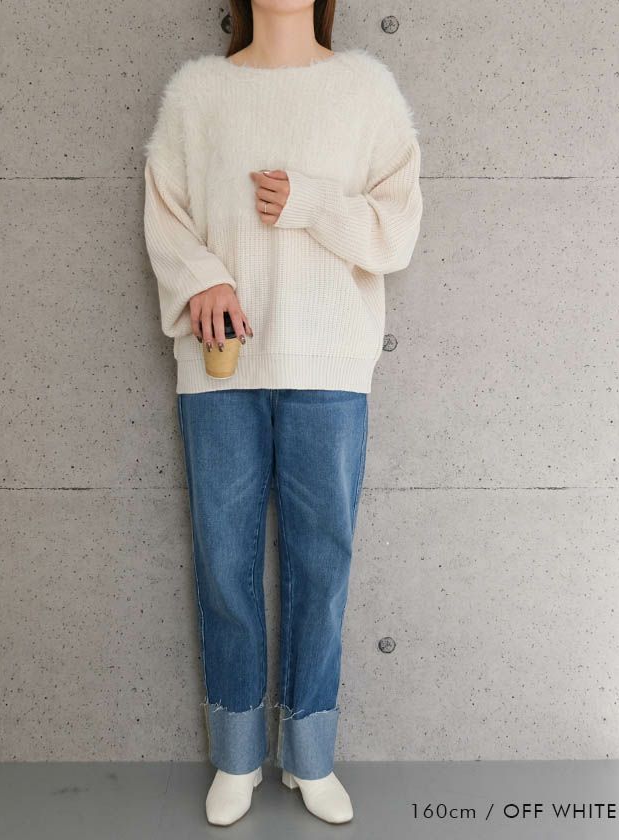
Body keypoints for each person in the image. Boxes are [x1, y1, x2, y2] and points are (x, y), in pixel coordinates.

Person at [143, 0, 423, 826]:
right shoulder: (198, 92)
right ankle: (236, 756)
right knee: (223, 561)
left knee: (322, 564)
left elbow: (397, 230)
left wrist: (312, 203)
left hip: (329, 361)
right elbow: (165, 212)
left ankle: (309, 755)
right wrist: (203, 277)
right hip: (220, 364)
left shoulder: (366, 90)